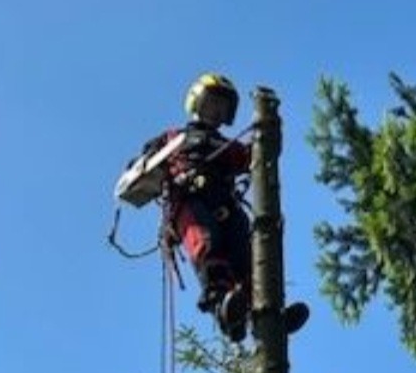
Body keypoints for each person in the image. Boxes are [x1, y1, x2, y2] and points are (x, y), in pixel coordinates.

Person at [122, 73, 308, 343]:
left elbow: (255, 157)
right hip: (189, 201)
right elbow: (137, 169)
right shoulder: (174, 137)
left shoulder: (228, 146)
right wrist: (147, 167)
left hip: (226, 204)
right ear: (197, 103)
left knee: (247, 253)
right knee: (207, 243)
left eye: (223, 107)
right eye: (213, 103)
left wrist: (270, 133)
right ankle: (222, 304)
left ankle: (267, 314)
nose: (217, 111)